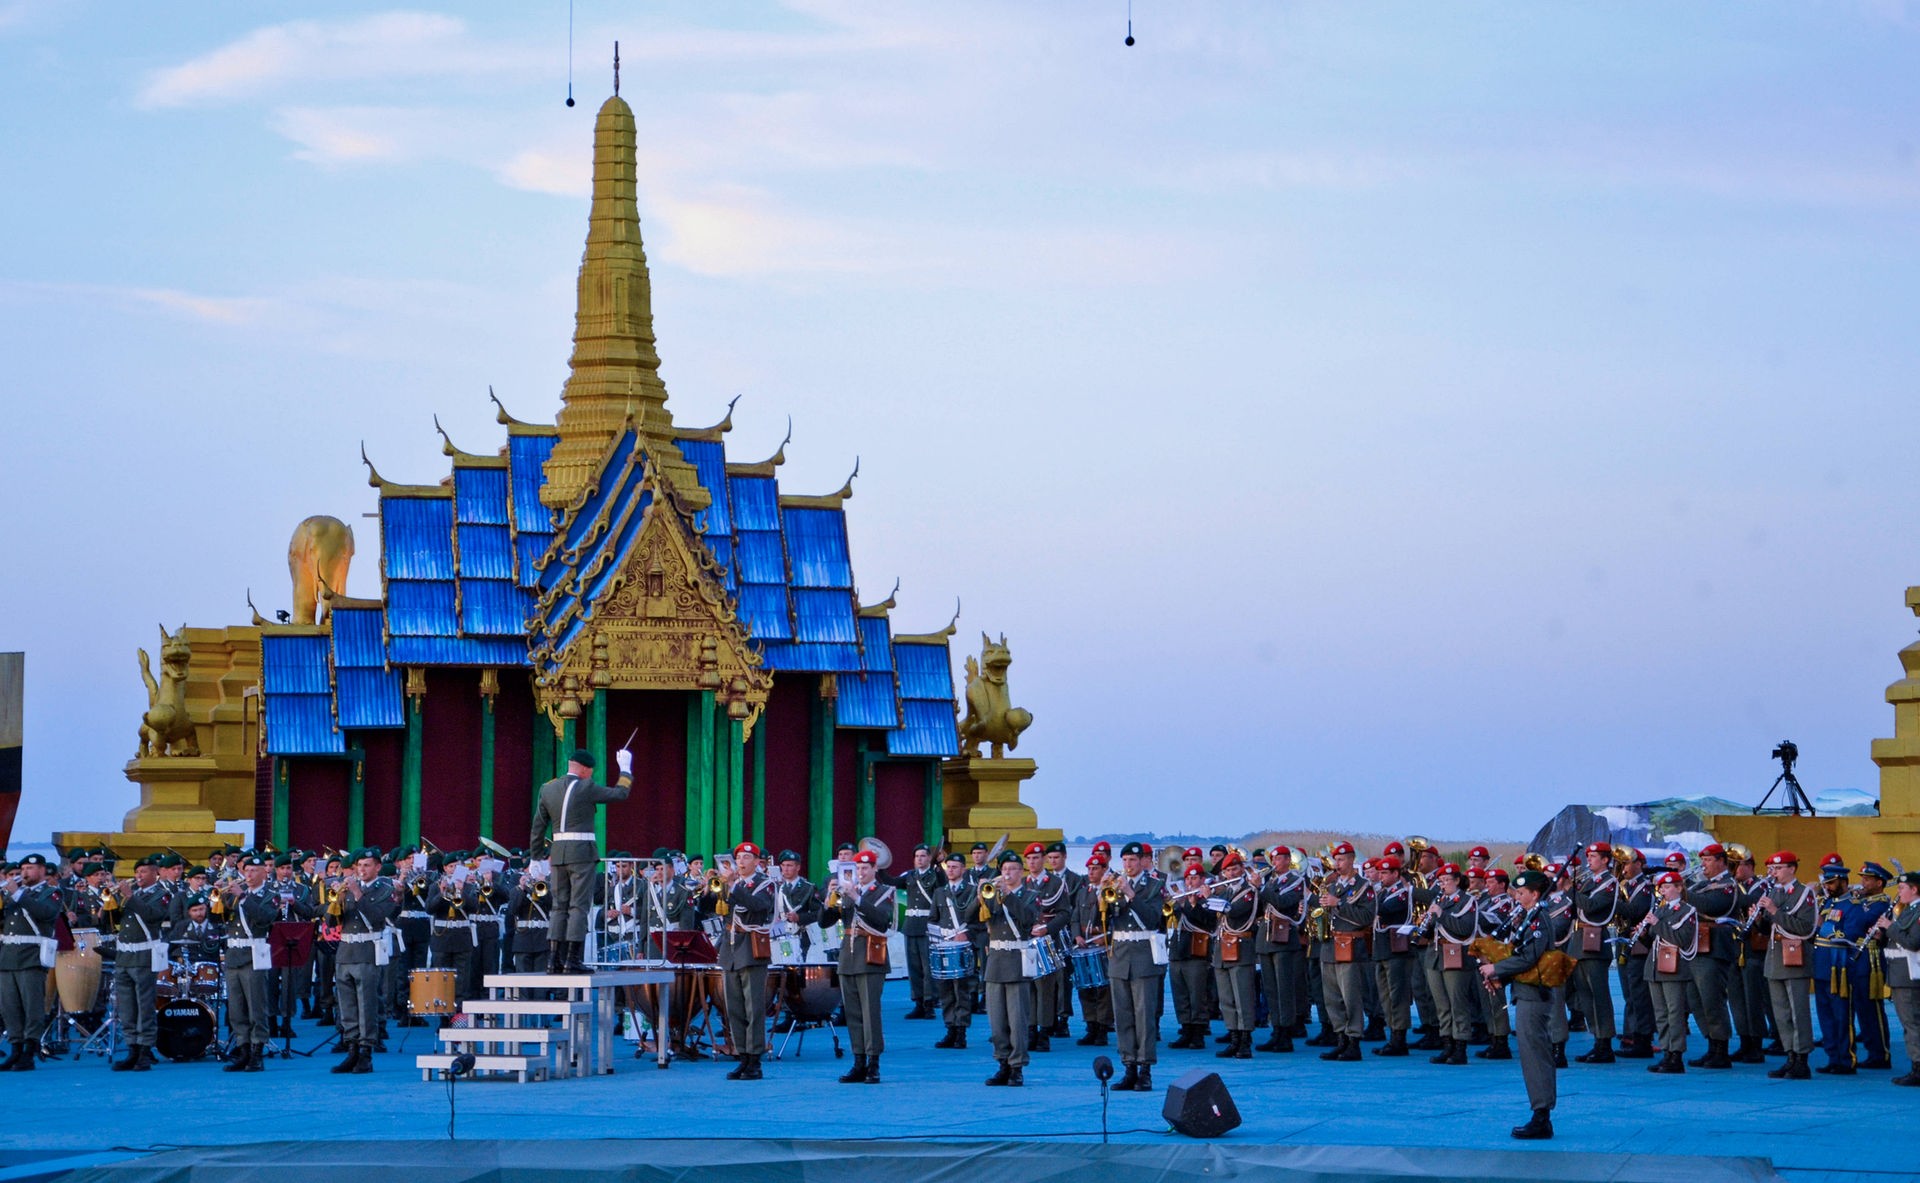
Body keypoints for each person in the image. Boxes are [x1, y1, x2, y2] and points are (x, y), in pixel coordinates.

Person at [529, 745, 634, 973]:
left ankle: (553, 961)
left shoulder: (548, 789)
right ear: (585, 769)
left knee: (559, 907)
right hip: (581, 854)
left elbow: (538, 826)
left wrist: (535, 857)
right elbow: (620, 793)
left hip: (557, 855)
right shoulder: (587, 787)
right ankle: (571, 961)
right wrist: (625, 768)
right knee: (578, 907)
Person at [1479, 868, 1558, 1140]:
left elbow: (1529, 958)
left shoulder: (1539, 921)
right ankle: (1540, 1112)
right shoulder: (1529, 917)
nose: (1518, 897)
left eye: (1522, 893)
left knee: (1535, 1055)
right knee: (1531, 1054)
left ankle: (1541, 1115)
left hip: (1534, 994)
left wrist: (1496, 969)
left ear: (1535, 894)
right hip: (1526, 991)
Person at [818, 848, 894, 1083]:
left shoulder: (883, 892)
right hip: (849, 957)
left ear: (874, 869)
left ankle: (873, 1062)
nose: (860, 872)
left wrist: (858, 898)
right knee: (852, 1013)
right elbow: (824, 922)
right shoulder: (846, 892)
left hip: (871, 956)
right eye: (857, 868)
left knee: (870, 1011)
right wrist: (829, 901)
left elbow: (882, 920)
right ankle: (858, 1059)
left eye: (865, 868)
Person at [703, 841, 775, 1080]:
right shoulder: (729, 884)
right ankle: (741, 1055)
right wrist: (708, 887)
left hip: (751, 948)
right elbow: (709, 909)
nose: (741, 862)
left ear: (757, 861)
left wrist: (733, 885)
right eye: (738, 858)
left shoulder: (765, 884)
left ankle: (754, 1059)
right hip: (730, 949)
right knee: (733, 1007)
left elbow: (759, 907)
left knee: (753, 1007)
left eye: (746, 858)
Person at [1104, 842, 1165, 1089]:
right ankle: (1128, 1065)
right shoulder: (1115, 884)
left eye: (1133, 860)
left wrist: (1131, 894)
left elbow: (1152, 919)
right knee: (1123, 1015)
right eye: (1125, 860)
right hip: (1120, 956)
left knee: (1144, 1015)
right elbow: (1106, 918)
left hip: (1143, 956)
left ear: (1142, 862)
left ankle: (1145, 1069)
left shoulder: (1154, 886)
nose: (1128, 865)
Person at [331, 848, 397, 1075]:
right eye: (359, 866)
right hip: (345, 951)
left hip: (368, 951)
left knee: (367, 1004)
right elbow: (331, 921)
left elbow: (380, 917)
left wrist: (358, 893)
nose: (362, 870)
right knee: (347, 1005)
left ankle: (366, 1052)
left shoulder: (385, 889)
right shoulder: (346, 888)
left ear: (378, 867)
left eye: (367, 865)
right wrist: (335, 901)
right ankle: (351, 1049)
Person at [978, 850, 1038, 1086]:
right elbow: (971, 917)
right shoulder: (991, 896)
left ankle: (1017, 1066)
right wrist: (980, 895)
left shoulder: (1030, 895)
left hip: (1016, 959)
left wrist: (1007, 894)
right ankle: (1002, 1061)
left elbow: (1027, 918)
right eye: (1004, 870)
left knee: (1017, 1019)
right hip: (995, 962)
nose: (1007, 873)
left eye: (1012, 869)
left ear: (1021, 872)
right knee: (997, 1020)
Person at [111, 855, 176, 1071]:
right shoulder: (132, 895)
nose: (138, 876)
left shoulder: (162, 894)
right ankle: (131, 1047)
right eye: (137, 872)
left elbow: (152, 915)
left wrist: (130, 897)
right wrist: (110, 904)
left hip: (144, 957)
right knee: (127, 1007)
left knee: (144, 1005)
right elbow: (111, 922)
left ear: (155, 873)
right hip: (124, 957)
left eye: (144, 872)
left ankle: (145, 1050)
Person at [1757, 850, 1816, 1080]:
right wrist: (1760, 918)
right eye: (1773, 868)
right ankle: (1790, 1055)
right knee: (1781, 1012)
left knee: (1797, 1010)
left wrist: (1773, 911)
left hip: (1795, 957)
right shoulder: (1774, 892)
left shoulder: (1804, 894)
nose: (1774, 873)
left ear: (1792, 868)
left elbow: (1804, 928)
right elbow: (1768, 929)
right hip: (1775, 957)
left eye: (1779, 868)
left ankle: (1802, 1058)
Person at [219, 855, 280, 1072]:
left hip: (255, 952)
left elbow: (265, 918)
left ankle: (257, 1052)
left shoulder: (270, 894)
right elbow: (219, 916)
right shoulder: (234, 894)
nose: (249, 875)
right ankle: (243, 1049)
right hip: (234, 954)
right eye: (247, 870)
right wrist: (219, 895)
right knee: (236, 1008)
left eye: (254, 871)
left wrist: (244, 897)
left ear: (265, 872)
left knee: (256, 1006)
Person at [1317, 841, 1376, 1063]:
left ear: (1352, 860)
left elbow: (1366, 918)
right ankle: (1340, 1038)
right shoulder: (1332, 885)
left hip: (1350, 946)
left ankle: (1353, 1041)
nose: (1337, 864)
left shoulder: (1364, 887)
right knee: (1332, 997)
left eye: (1341, 860)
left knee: (1350, 996)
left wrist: (1338, 903)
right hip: (1330, 946)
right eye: (1336, 860)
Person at [1, 854, 61, 1070]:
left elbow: (45, 913)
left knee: (31, 1005)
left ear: (42, 871)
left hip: (31, 956)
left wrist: (17, 894)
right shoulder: (12, 895)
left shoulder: (51, 892)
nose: (24, 873)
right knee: (10, 1006)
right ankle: (15, 1048)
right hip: (7, 957)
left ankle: (30, 1049)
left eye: (29, 868)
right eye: (22, 869)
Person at [1683, 843, 1738, 1069]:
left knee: (1712, 999)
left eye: (1707, 860)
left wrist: (1680, 889)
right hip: (1697, 945)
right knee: (1696, 999)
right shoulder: (1704, 884)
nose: (1702, 864)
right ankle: (1711, 1044)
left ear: (1721, 862)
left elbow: (1712, 905)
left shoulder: (1728, 885)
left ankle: (1721, 1048)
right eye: (1702, 860)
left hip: (1715, 947)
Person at [1421, 862, 1479, 1065]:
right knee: (1441, 1003)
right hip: (1436, 955)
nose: (1443, 884)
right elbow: (1432, 932)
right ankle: (1447, 1044)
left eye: (1447, 880)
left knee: (1457, 1002)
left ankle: (1460, 1045)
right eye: (1441, 881)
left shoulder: (1467, 901)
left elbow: (1464, 928)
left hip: (1456, 954)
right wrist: (1426, 922)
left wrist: (1441, 914)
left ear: (1457, 881)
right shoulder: (1440, 900)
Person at [1568, 842, 1619, 1064]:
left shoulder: (1609, 883)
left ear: (1606, 859)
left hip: (1595, 941)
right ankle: (1596, 1039)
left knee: (1598, 995)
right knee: (1585, 996)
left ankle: (1604, 1042)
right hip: (1580, 941)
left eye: (1594, 856)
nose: (1589, 860)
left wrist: (1570, 890)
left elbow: (1591, 905)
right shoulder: (1590, 881)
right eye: (1588, 856)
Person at [1812, 854, 1863, 1073]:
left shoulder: (1853, 905)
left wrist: (1826, 928)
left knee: (1842, 1014)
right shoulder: (1827, 902)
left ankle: (1846, 1058)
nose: (1828, 887)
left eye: (1832, 883)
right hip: (1822, 963)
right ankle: (1833, 1056)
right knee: (1825, 1013)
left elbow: (1851, 932)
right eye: (1826, 883)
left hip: (1839, 965)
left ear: (1843, 881)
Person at [1254, 846, 1308, 1053]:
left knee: (1284, 988)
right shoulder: (1271, 882)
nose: (1274, 862)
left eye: (1278, 858)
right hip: (1266, 937)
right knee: (1270, 988)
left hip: (1283, 937)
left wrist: (1262, 889)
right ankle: (1276, 1030)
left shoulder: (1296, 881)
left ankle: (1286, 1032)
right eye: (1273, 858)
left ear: (1287, 860)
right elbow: (1260, 909)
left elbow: (1284, 903)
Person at [1644, 868, 1698, 1075]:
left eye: (1667, 887)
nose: (1663, 892)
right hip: (1656, 965)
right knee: (1661, 1012)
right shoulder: (1661, 909)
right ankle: (1666, 1050)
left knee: (1675, 1011)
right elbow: (1651, 936)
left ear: (1679, 888)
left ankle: (1676, 1053)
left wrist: (1657, 924)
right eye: (1661, 888)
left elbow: (1681, 938)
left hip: (1674, 965)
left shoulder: (1687, 911)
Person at [1210, 850, 1259, 1060]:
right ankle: (1233, 1036)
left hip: (1240, 947)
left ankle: (1245, 1039)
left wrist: (1210, 898)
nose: (1231, 873)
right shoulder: (1226, 891)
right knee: (1227, 998)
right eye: (1228, 870)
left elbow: (1235, 910)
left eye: (1235, 869)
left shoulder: (1249, 890)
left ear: (1242, 869)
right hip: (1222, 948)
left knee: (1242, 996)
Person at [1874, 870, 1920, 1086]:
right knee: (1909, 1022)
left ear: (1914, 889)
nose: (1899, 892)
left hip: (1910, 974)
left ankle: (1918, 1066)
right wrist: (1881, 935)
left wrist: (1889, 927)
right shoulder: (1906, 910)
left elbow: (1912, 942)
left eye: (1902, 888)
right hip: (1900, 973)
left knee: (1912, 1022)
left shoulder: (1917, 911)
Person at [930, 850, 980, 1048]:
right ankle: (950, 1027)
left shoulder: (971, 891)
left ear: (963, 869)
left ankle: (961, 1031)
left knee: (962, 990)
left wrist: (967, 935)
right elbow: (933, 919)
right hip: (944, 946)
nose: (951, 870)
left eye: (955, 867)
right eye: (948, 867)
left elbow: (980, 923)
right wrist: (938, 937)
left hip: (964, 946)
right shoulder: (940, 892)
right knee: (946, 990)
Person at [1850, 862, 1896, 1070]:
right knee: (1861, 1006)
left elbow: (1858, 923)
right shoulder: (1864, 901)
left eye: (1868, 879)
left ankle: (1880, 1052)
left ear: (1879, 883)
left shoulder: (1881, 903)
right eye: (1863, 878)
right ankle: (1872, 1049)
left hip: (1871, 959)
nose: (1863, 882)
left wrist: (1853, 903)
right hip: (1857, 956)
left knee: (1872, 1008)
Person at [1166, 864, 1216, 1049]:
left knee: (1197, 995)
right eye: (1188, 879)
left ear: (1203, 880)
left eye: (1194, 878)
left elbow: (1209, 921)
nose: (1190, 882)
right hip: (1178, 951)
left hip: (1196, 952)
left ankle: (1198, 1033)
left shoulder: (1207, 899)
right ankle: (1185, 1029)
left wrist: (1191, 905)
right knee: (1181, 994)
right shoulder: (1180, 899)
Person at [1612, 849, 1656, 1058]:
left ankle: (1643, 1038)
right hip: (1626, 940)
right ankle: (1632, 1034)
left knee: (1639, 992)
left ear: (1639, 864)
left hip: (1639, 942)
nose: (1623, 868)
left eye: (1626, 863)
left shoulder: (1645, 888)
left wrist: (1610, 901)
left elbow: (1635, 910)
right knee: (1630, 992)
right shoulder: (1627, 886)